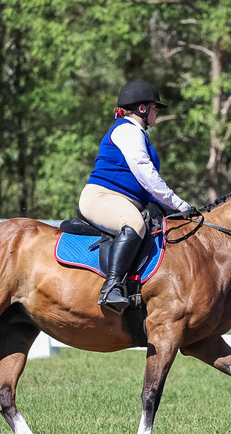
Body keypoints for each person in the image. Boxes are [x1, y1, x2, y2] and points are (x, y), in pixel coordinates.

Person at [79, 80, 191, 314]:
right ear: (143, 109)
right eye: (154, 108)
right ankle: (111, 287)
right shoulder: (127, 130)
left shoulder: (136, 133)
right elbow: (145, 173)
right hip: (102, 197)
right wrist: (177, 203)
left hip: (123, 200)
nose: (156, 113)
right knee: (134, 223)